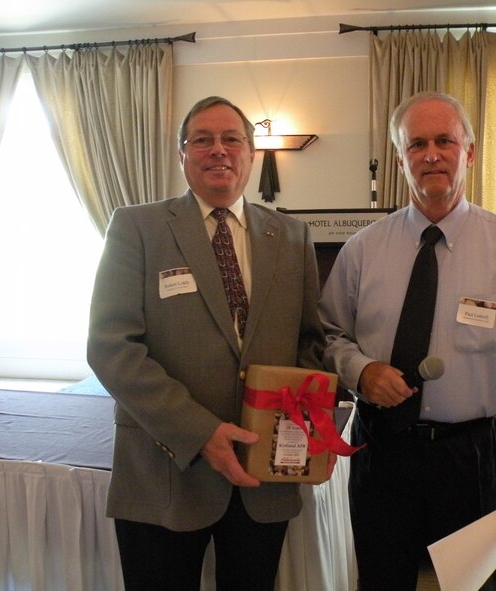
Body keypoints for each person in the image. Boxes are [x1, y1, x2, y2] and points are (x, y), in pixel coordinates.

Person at [318, 91, 496, 591]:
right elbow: (328, 335)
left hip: (471, 455)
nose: (432, 154)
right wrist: (361, 370)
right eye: (417, 144)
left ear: (469, 152)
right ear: (401, 157)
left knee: (472, 586)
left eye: (445, 141)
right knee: (381, 581)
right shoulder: (362, 250)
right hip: (380, 450)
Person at [87, 96, 325, 591]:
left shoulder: (294, 236)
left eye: (231, 139)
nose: (218, 150)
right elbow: (112, 347)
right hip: (164, 471)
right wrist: (200, 433)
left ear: (251, 154)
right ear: (182, 155)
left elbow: (310, 344)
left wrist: (300, 429)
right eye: (202, 139)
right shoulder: (137, 227)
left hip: (262, 480)